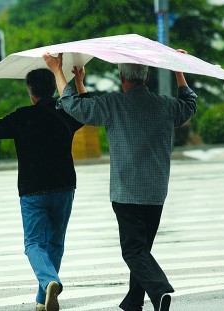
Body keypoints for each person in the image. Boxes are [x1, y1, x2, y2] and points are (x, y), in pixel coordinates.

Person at [43, 51, 197, 311]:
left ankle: (160, 291)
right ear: (146, 77)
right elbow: (189, 105)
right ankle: (133, 301)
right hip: (157, 191)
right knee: (142, 249)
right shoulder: (166, 105)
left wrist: (58, 71)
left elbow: (75, 108)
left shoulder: (114, 104)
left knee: (133, 251)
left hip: (126, 192)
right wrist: (179, 71)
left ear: (122, 77)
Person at [0, 68, 83, 311]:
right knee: (56, 243)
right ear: (52, 88)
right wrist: (79, 82)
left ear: (31, 92)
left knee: (34, 244)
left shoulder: (23, 116)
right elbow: (85, 108)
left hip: (33, 189)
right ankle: (43, 299)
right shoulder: (66, 113)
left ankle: (49, 282)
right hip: (64, 186)